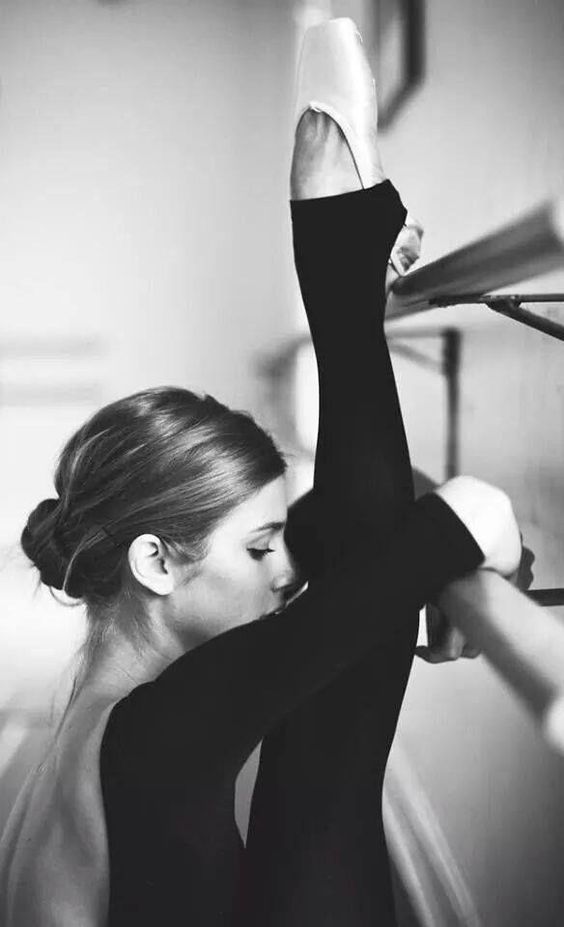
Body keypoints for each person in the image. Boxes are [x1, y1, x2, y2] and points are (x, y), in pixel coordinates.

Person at [0, 17, 521, 927]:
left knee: (334, 705)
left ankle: (341, 250)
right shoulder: (159, 731)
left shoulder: (108, 715)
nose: (286, 570)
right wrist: (470, 559)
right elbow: (462, 517)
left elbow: (358, 550)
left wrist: (424, 575)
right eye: (259, 547)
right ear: (156, 562)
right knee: (331, 750)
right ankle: (337, 242)